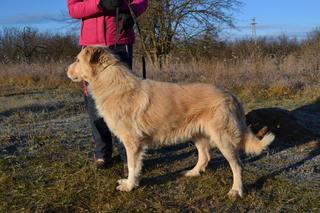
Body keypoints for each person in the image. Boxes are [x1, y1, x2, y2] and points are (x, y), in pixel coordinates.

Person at [67, 0, 148, 169]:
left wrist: (131, 12)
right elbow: (74, 9)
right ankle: (102, 152)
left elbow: (141, 1)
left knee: (126, 101)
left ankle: (128, 154)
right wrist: (100, 4)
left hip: (120, 40)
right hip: (91, 46)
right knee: (94, 103)